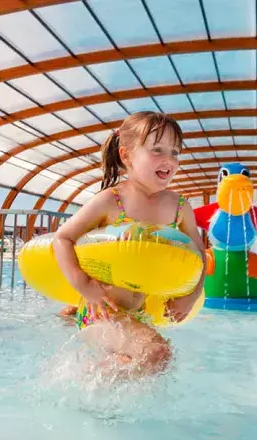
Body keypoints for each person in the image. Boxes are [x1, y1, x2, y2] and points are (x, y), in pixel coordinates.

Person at [52, 111, 205, 378]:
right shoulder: (113, 200)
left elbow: (200, 254)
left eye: (175, 152)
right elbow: (62, 239)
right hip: (101, 312)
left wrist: (191, 297)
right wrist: (84, 287)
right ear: (126, 156)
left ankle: (95, 386)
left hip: (139, 313)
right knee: (157, 352)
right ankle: (76, 379)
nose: (169, 160)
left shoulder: (180, 207)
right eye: (157, 150)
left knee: (139, 360)